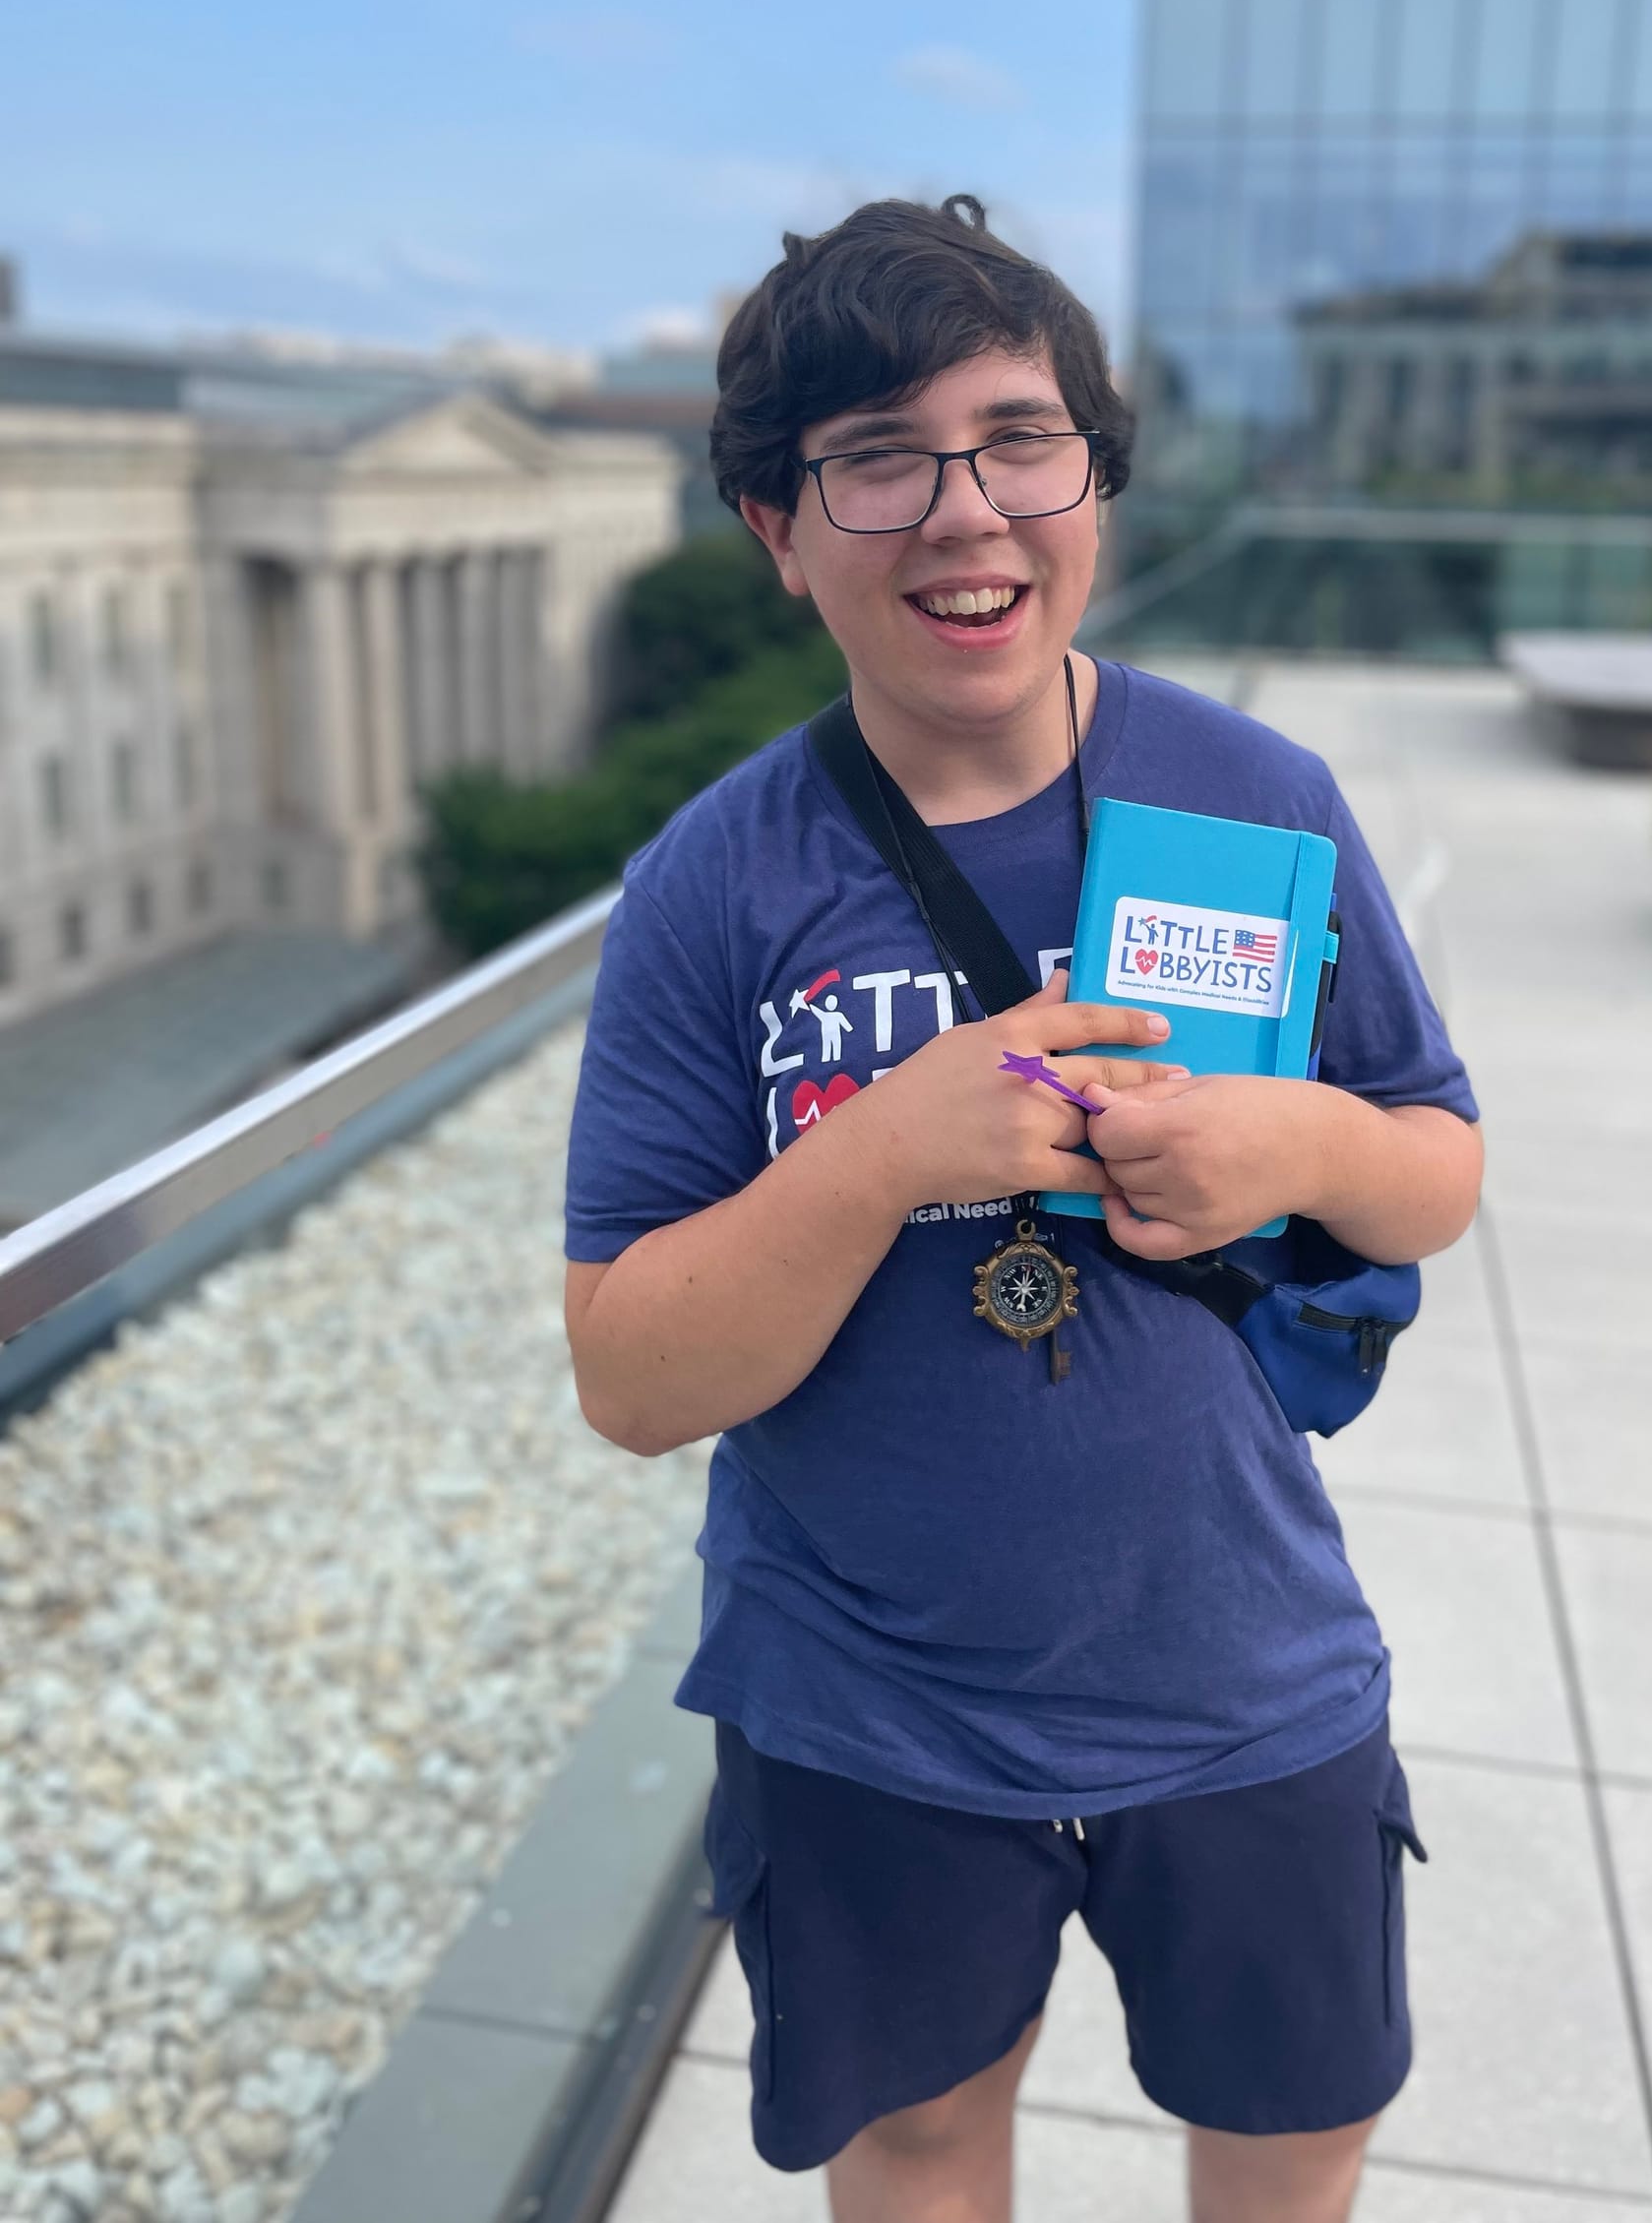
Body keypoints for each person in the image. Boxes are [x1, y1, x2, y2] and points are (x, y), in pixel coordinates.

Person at [563, 194, 1483, 2223]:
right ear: (776, 528)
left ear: (1093, 477)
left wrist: (1298, 1151)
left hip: (1239, 1655)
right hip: (861, 1690)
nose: (963, 511)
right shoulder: (714, 886)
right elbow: (629, 1375)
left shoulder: (1255, 794)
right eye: (877, 459)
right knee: (914, 2136)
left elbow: (1435, 1161)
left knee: (1291, 2124)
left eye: (1017, 439)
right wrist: (882, 1149)